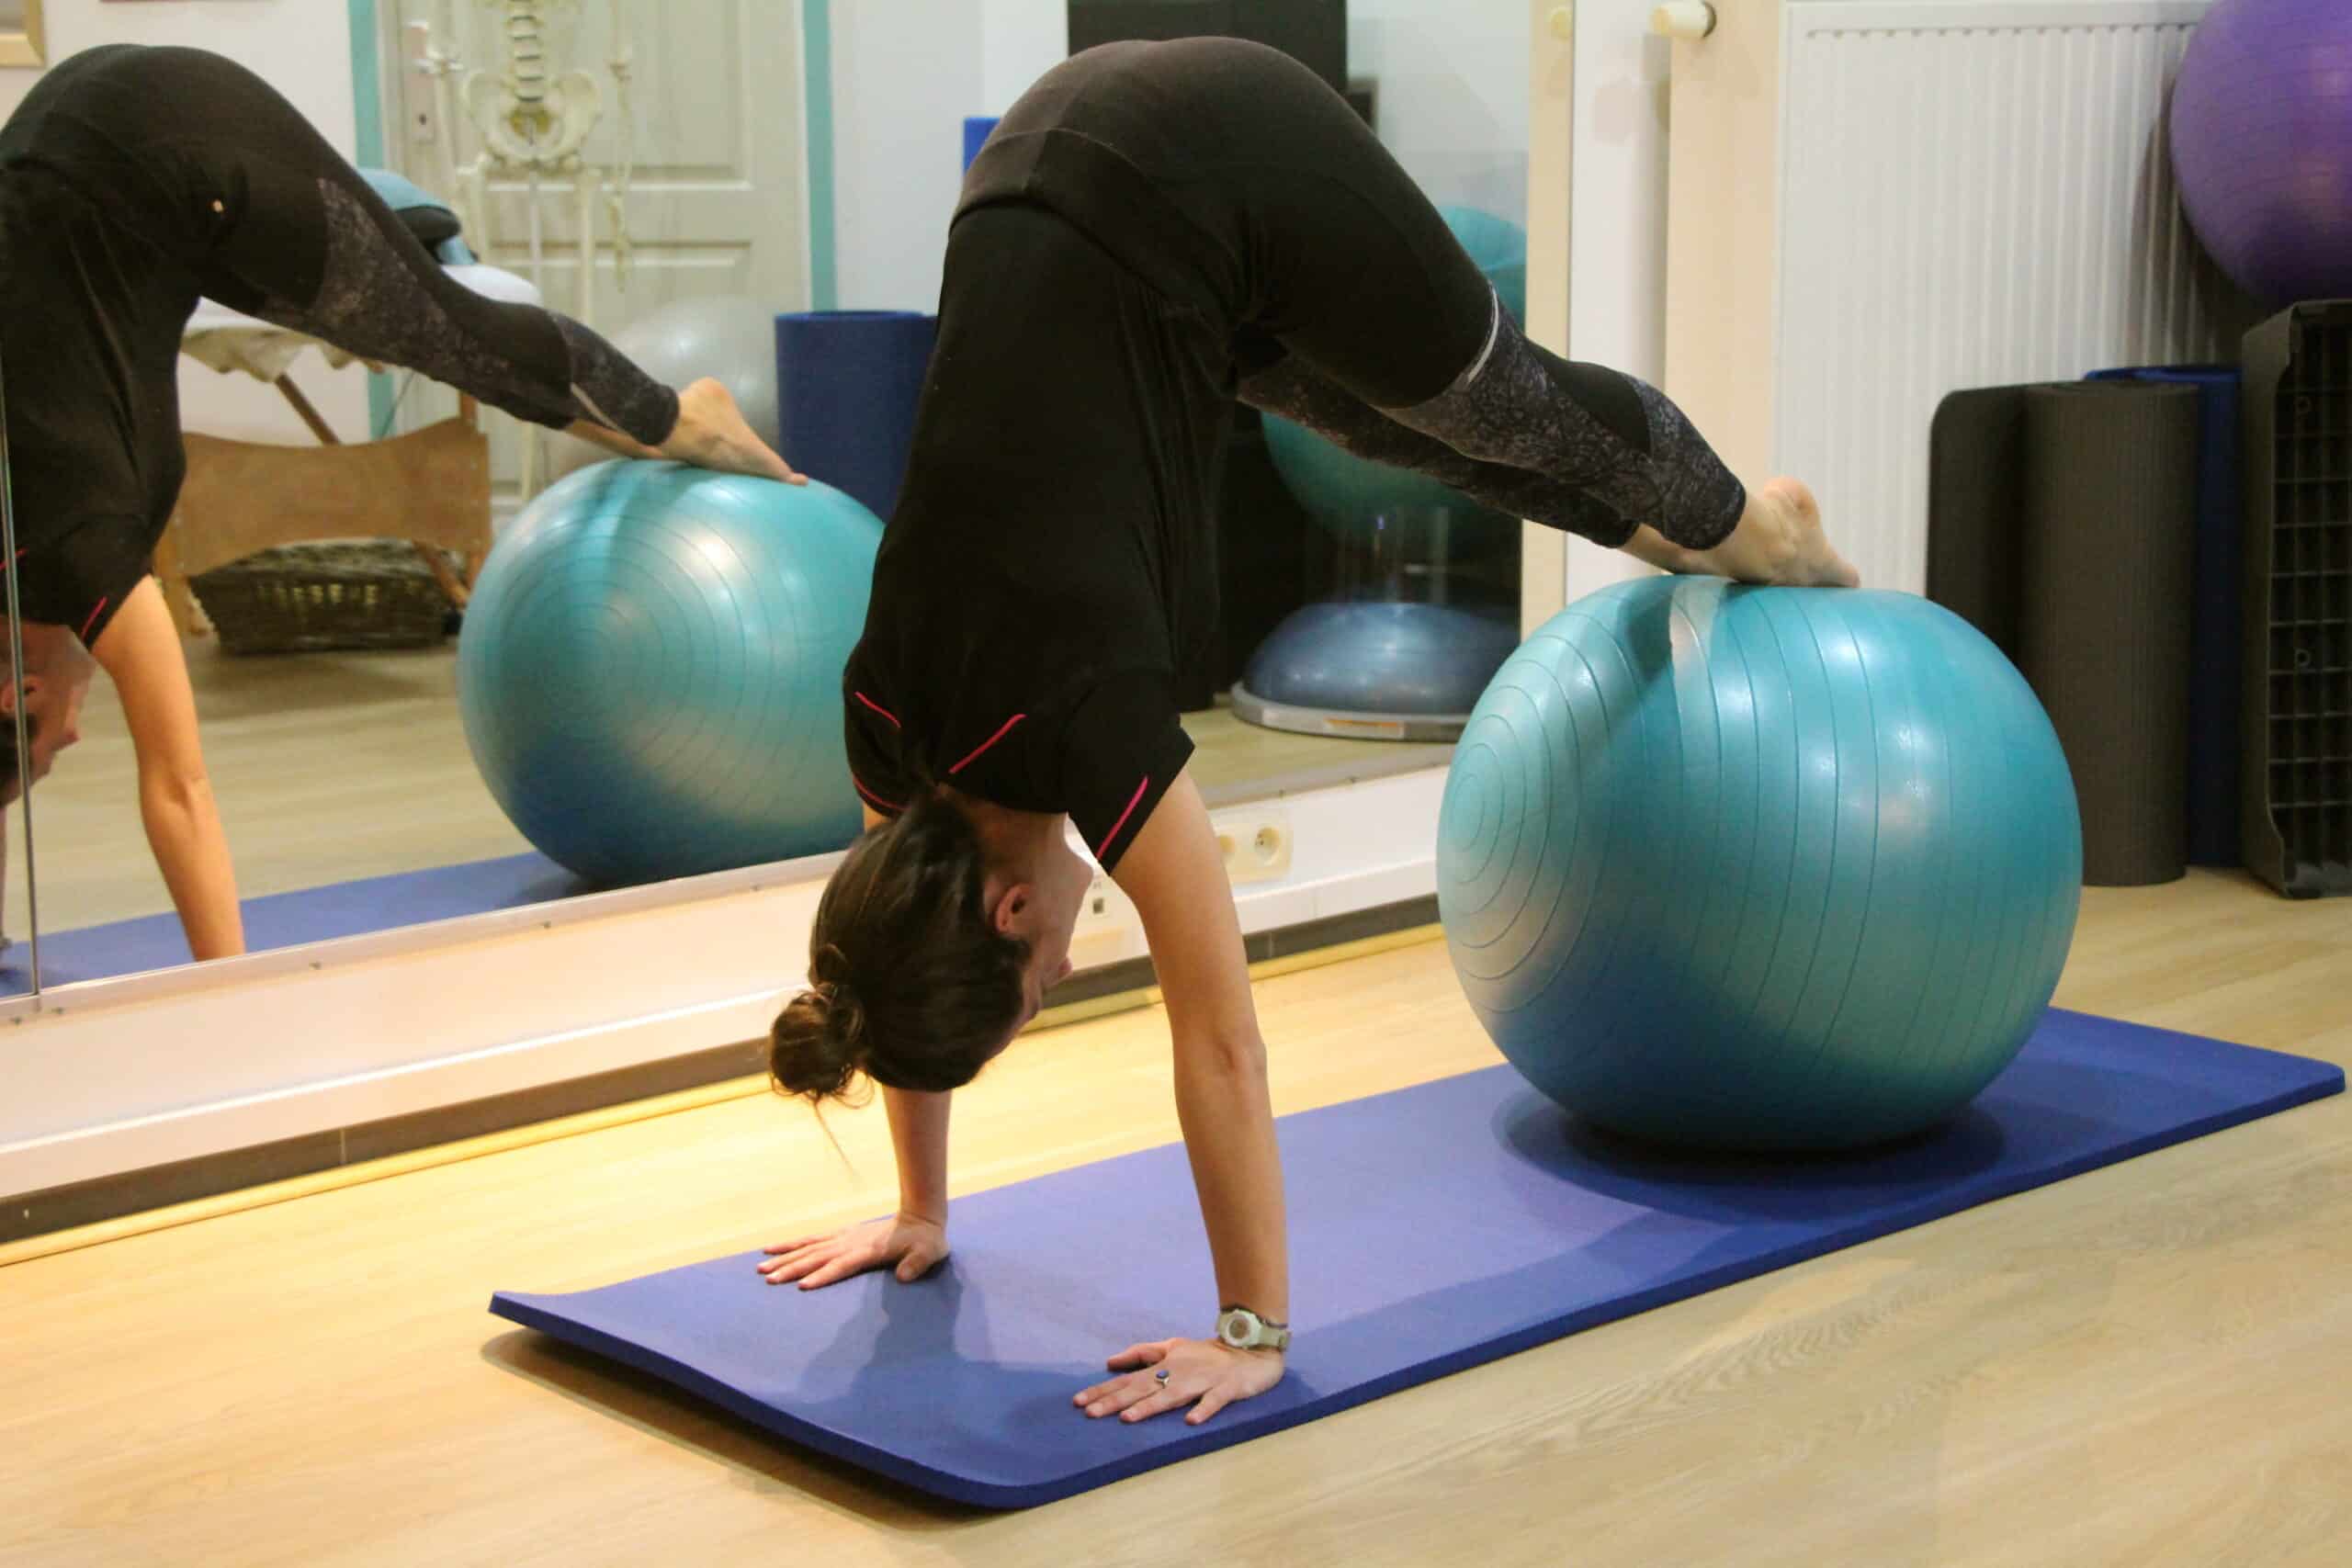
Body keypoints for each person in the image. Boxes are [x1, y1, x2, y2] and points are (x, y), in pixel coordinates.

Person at [761, 39, 1859, 1428]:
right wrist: (918, 1209)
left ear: (1013, 909)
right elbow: (885, 959)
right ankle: (1703, 537)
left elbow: (1222, 1045)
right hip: (1055, 175)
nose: (1064, 970)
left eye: (1037, 984)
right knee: (1407, 436)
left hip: (1210, 141)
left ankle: (1761, 527)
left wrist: (1251, 1333)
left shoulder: (1088, 716)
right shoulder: (883, 717)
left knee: (1501, 407)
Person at [0, 43, 796, 961]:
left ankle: (684, 413)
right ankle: (399, 226)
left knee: (451, 332)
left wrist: (235, 1003)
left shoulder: (80, 551)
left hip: (172, 138)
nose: (72, 741)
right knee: (361, 296)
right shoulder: (39, 547)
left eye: (48, 751)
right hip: (73, 143)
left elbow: (179, 792)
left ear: (23, 691)